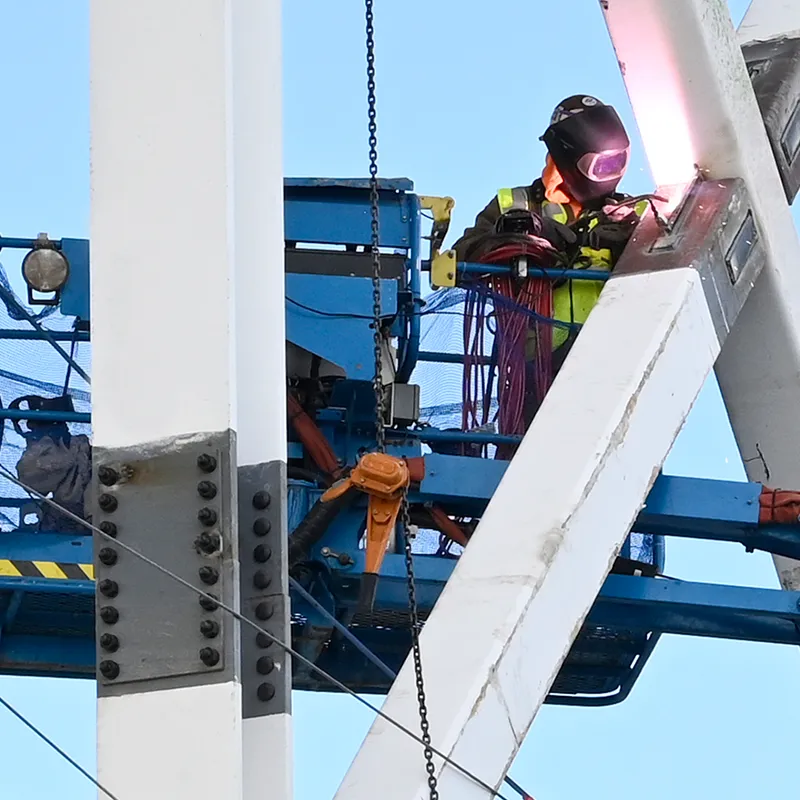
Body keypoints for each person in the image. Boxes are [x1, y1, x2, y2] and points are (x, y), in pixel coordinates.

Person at [453, 95, 649, 426]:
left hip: (611, 365)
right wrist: (519, 239)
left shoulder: (636, 215)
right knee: (531, 456)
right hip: (533, 366)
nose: (609, 174)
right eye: (601, 164)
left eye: (616, 163)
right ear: (568, 158)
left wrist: (628, 242)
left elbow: (663, 275)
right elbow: (460, 262)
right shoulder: (514, 205)